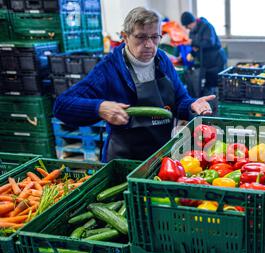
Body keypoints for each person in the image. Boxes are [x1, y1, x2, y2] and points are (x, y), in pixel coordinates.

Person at [54, 7, 214, 162]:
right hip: (125, 159)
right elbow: (62, 106)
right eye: (141, 37)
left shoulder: (162, 60)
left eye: (155, 37)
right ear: (125, 36)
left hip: (161, 156)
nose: (149, 44)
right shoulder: (108, 69)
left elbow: (179, 100)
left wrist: (191, 105)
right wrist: (99, 107)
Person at [180, 11, 227, 101]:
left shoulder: (206, 26)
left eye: (188, 25)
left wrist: (192, 43)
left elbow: (209, 42)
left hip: (216, 61)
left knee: (216, 86)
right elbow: (196, 47)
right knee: (208, 86)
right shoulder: (192, 31)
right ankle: (209, 106)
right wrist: (192, 53)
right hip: (206, 63)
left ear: (193, 21)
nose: (188, 28)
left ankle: (217, 107)